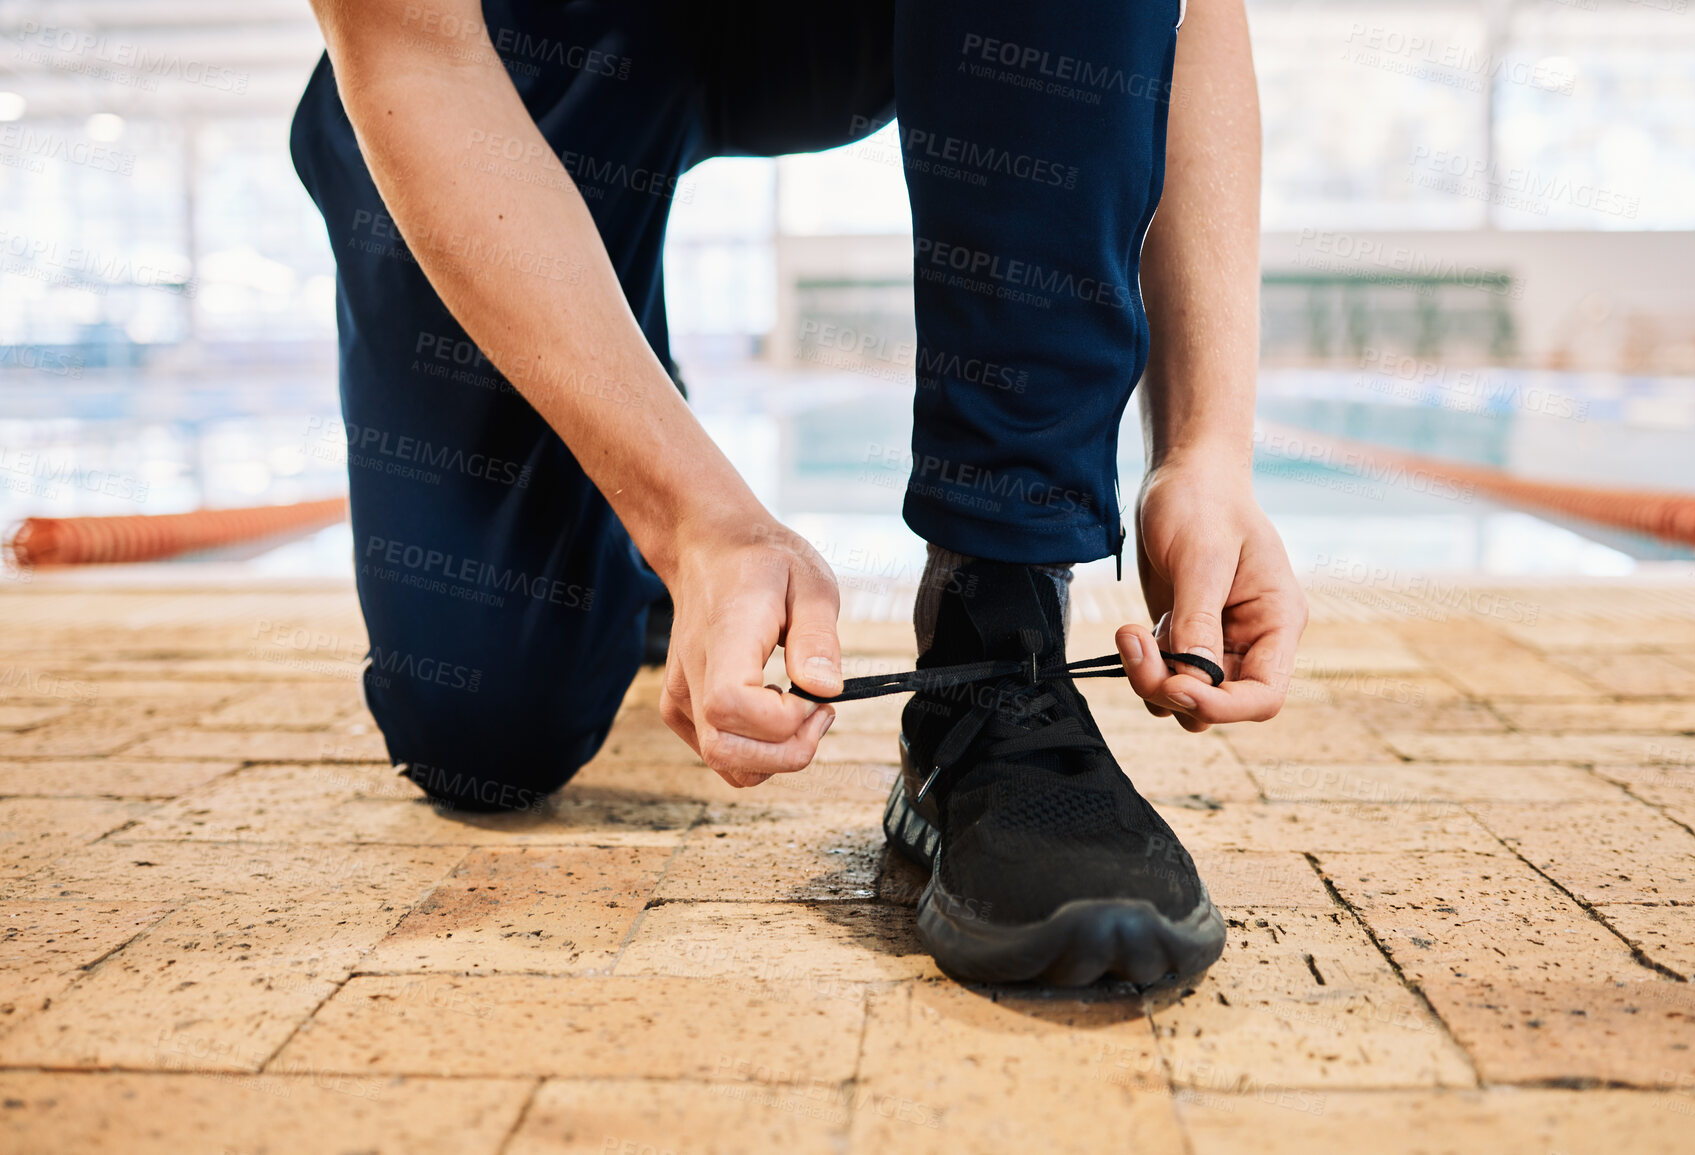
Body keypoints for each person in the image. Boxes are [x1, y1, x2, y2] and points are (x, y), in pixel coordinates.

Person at [291, 0, 1307, 985]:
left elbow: (1189, 12)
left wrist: (1207, 449)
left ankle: (997, 631)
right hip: (531, 36)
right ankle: (622, 418)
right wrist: (694, 520)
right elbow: (409, 45)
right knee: (482, 728)